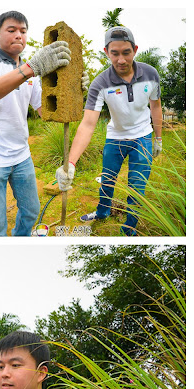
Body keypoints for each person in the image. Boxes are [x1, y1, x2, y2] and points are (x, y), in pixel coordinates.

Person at [0, 11, 73, 236]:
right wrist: (30, 69)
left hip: (21, 155)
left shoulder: (31, 71)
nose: (19, 35)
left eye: (23, 31)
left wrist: (72, 89)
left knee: (31, 211)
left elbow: (46, 111)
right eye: (11, 30)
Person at [55, 26, 162, 236]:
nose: (121, 59)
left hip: (143, 137)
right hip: (115, 138)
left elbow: (156, 106)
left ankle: (130, 227)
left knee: (137, 186)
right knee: (108, 179)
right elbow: (88, 124)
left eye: (126, 52)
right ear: (106, 52)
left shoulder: (151, 74)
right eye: (115, 53)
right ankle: (103, 211)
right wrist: (70, 162)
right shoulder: (100, 83)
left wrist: (158, 138)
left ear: (135, 50)